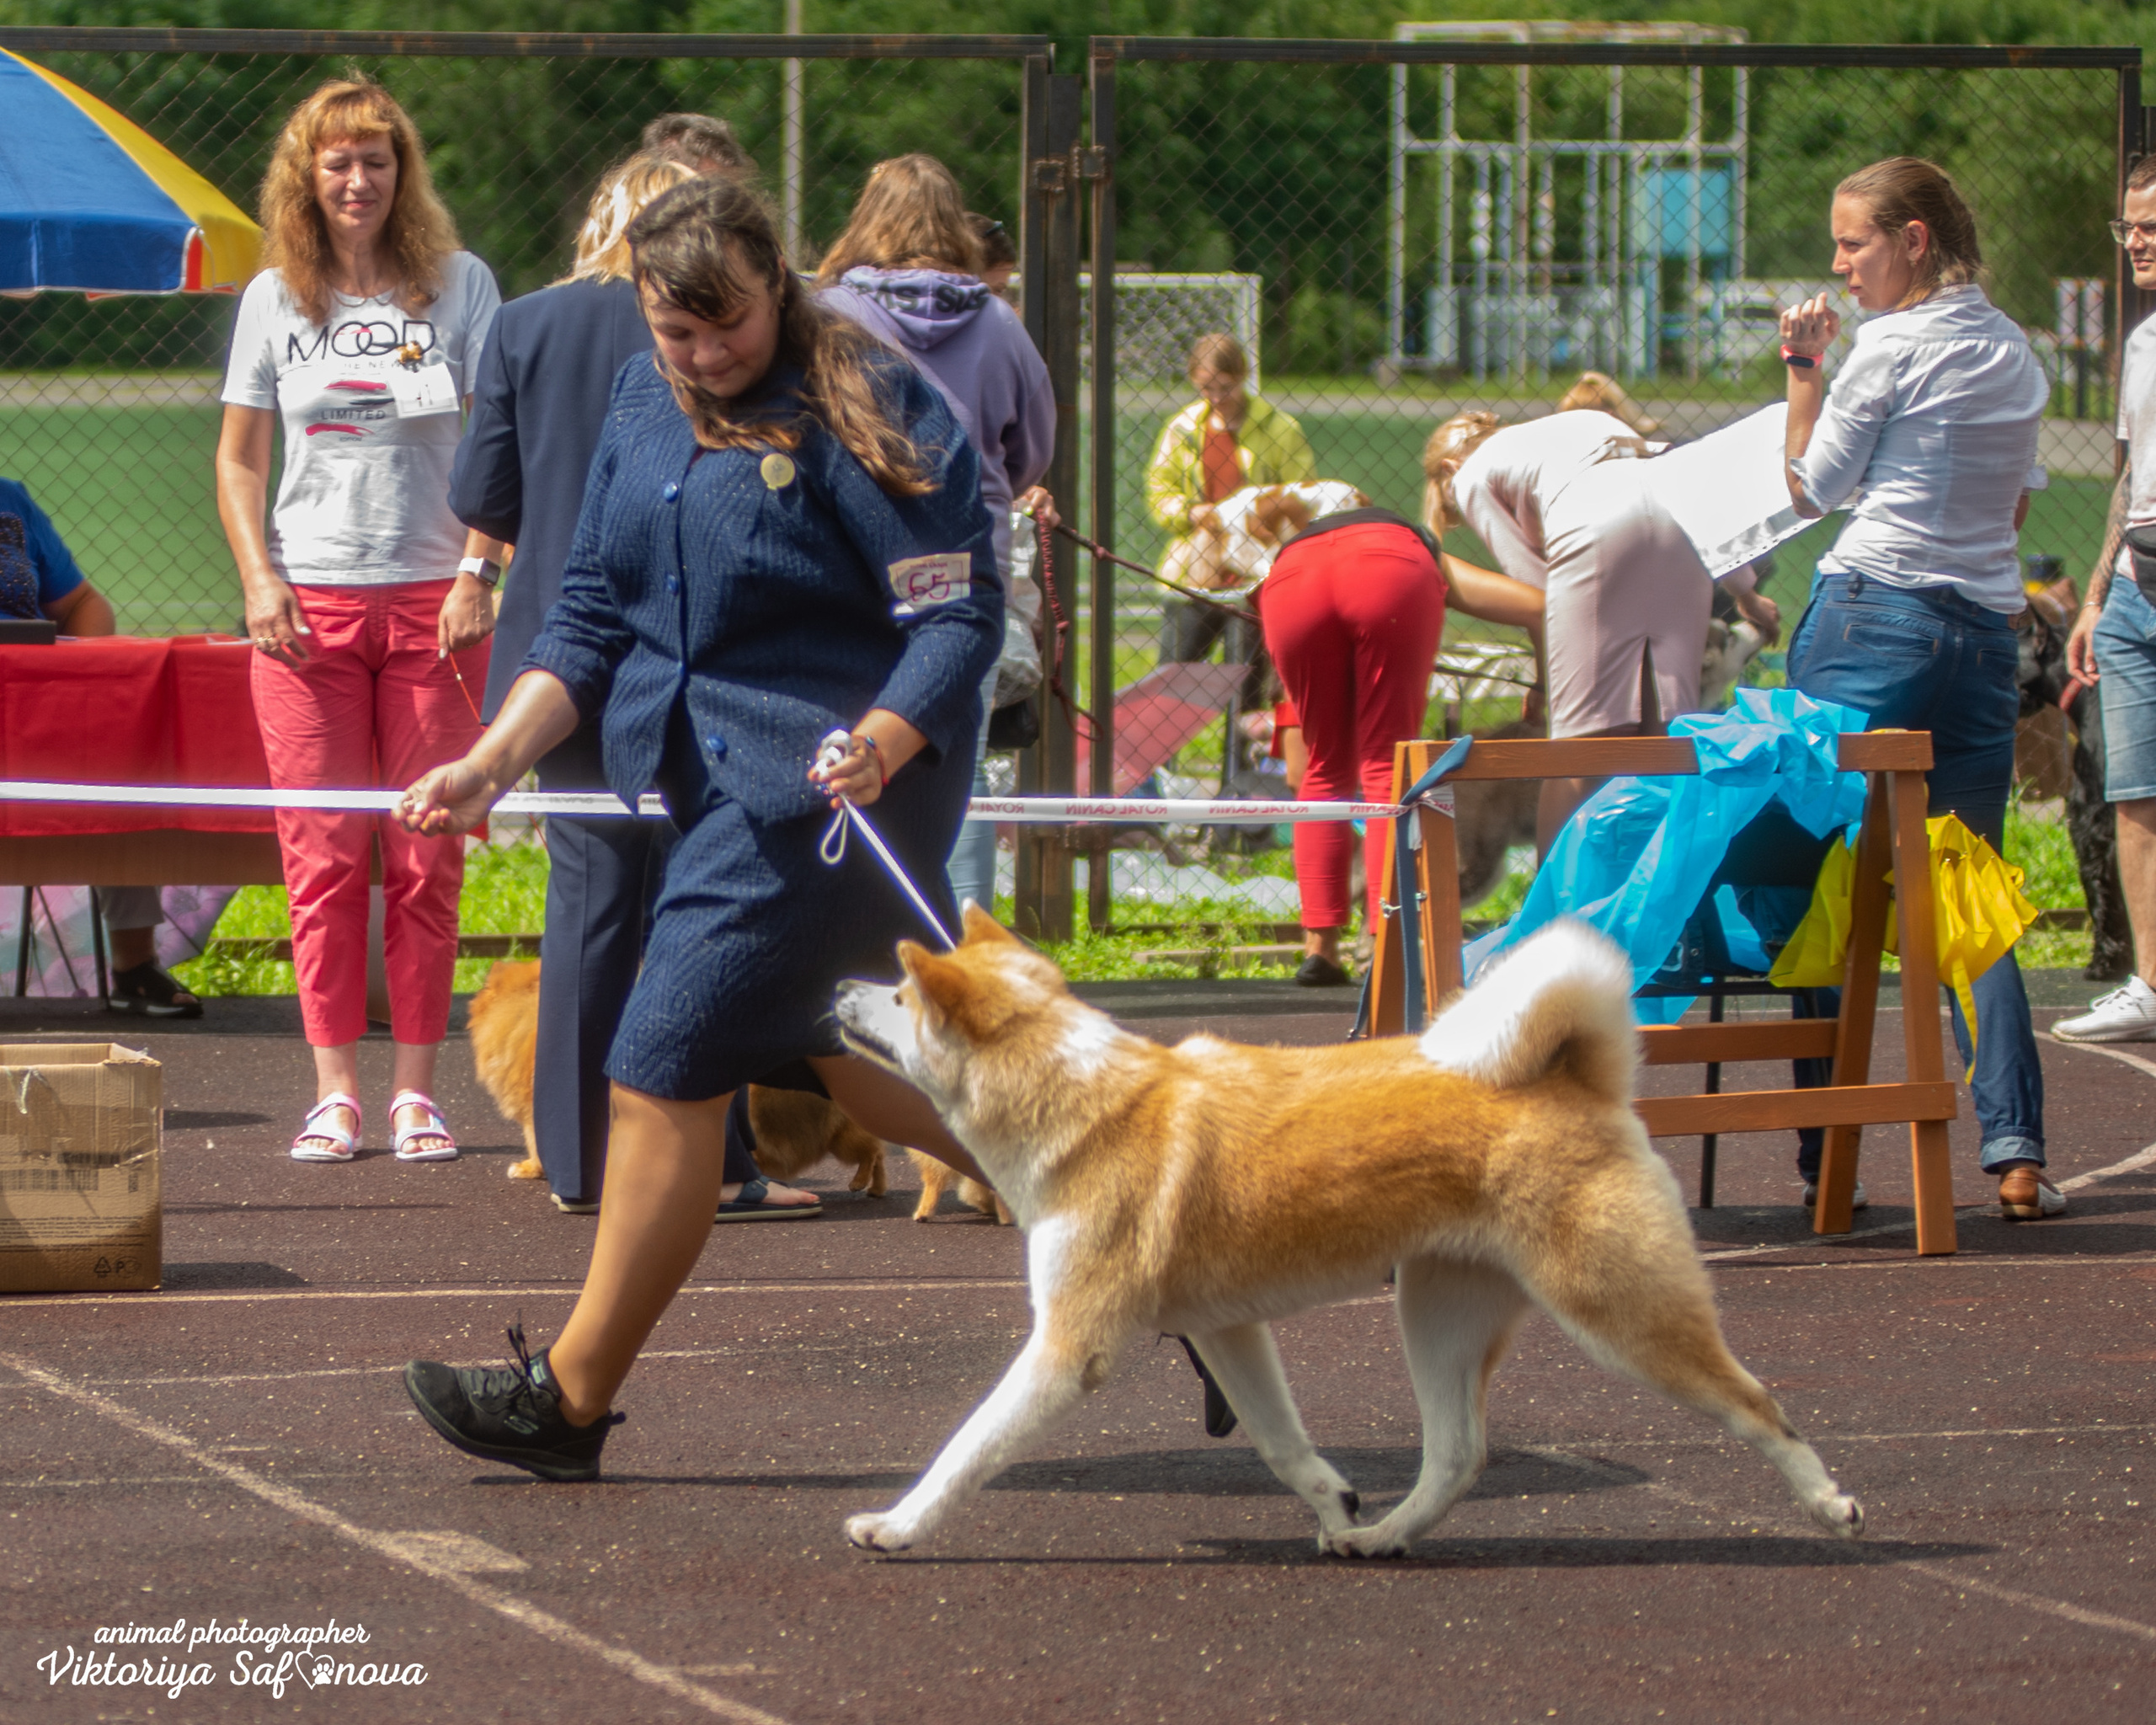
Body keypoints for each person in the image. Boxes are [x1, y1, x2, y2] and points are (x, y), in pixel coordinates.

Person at [395, 176, 1002, 1479]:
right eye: (678, 329)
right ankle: (1134, 1203)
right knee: (842, 1054)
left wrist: (881, 741)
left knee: (661, 1059)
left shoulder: (867, 401)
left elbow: (955, 617)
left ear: (778, 283)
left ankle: (567, 1402)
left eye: (728, 323)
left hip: (826, 803)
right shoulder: (639, 400)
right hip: (708, 787)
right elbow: (589, 617)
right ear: (642, 309)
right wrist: (492, 761)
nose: (706, 353)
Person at [449, 148, 815, 1218]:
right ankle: (719, 1160)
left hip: (560, 655)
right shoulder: (740, 339)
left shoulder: (525, 325)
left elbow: (484, 492)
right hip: (692, 646)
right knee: (705, 903)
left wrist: (488, 571)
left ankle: (576, 1159)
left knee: (589, 907)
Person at [215, 77, 503, 1164]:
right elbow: (239, 460)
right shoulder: (272, 298)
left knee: (427, 855)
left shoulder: (459, 284)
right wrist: (259, 578)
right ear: (306, 177)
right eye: (337, 161)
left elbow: (500, 445)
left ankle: (415, 1093)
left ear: (401, 172)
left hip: (437, 608)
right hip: (307, 614)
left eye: (377, 160)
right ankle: (334, 1093)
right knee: (324, 855)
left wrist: (478, 569)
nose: (357, 179)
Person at [1777, 156, 2059, 1220]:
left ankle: (1827, 1156)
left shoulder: (1888, 346)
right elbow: (2014, 510)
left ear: (1913, 241)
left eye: (1853, 242)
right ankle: (2016, 1149)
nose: (1839, 264)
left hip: (1872, 617)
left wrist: (1803, 370)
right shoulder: (2013, 350)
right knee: (1967, 891)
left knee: (1819, 870)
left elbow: (1813, 486)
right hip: (1980, 638)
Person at [818, 152, 1054, 916]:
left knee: (846, 754)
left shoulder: (830, 315)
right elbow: (1033, 449)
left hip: (852, 572)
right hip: (965, 572)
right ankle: (963, 936)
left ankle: (849, 933)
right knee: (960, 766)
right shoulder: (1000, 323)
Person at [1253, 498, 1541, 988]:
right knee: (1387, 765)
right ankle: (1384, 948)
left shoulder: (1315, 541)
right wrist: (1543, 684)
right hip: (1389, 573)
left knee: (1324, 769)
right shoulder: (1416, 546)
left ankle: (1320, 949)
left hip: (1291, 575)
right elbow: (1537, 605)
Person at [1423, 408, 1726, 849]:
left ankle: (1556, 889)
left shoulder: (1468, 476)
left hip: (1597, 529)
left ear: (1449, 468)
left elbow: (1535, 592)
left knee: (1580, 752)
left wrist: (1548, 680)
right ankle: (1659, 882)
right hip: (1682, 517)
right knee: (1664, 740)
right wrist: (1749, 596)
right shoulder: (1544, 433)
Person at [0, 478, 200, 1017]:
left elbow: (84, 603)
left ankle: (135, 967)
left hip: (34, 698)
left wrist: (80, 679)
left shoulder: (10, 498)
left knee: (122, 760)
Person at [2057, 154, 2156, 1045]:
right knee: (2134, 793)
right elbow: (2131, 477)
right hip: (2132, 594)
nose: (2136, 241)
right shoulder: (2140, 343)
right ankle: (2149, 984)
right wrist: (2094, 599)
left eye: (2152, 226)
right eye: (2129, 225)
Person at [1145, 334, 1315, 678]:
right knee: (1172, 676)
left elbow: (1301, 498)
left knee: (1244, 680)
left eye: (1226, 387)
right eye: (1206, 388)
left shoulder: (1280, 429)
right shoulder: (1183, 429)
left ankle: (1241, 715)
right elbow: (1159, 489)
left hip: (1256, 571)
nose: (1217, 398)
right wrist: (1189, 512)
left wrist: (1261, 518)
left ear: (1243, 377)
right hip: (1198, 565)